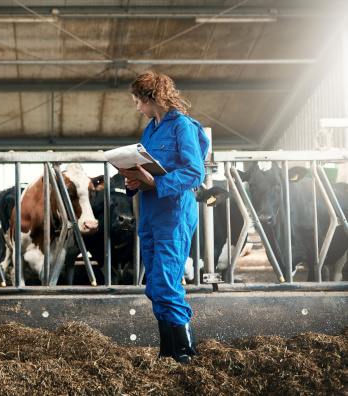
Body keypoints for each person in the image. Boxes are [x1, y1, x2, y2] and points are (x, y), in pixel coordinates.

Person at [118, 71, 209, 364]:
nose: (137, 108)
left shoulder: (183, 126)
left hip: (174, 214)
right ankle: (167, 352)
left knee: (167, 284)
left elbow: (195, 171)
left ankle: (185, 354)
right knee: (155, 285)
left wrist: (156, 183)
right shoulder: (150, 130)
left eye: (138, 102)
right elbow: (146, 171)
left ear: (150, 98)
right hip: (150, 214)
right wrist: (134, 181)